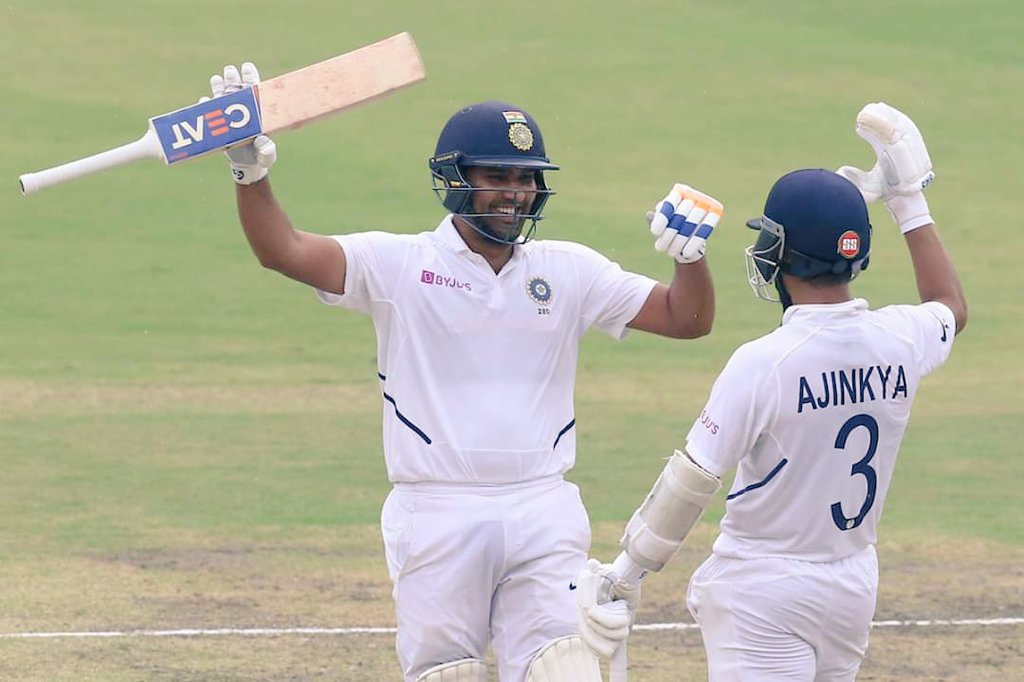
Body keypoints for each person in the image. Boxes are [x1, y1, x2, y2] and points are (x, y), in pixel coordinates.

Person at [206, 62, 723, 681]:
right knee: (448, 674)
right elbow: (283, 251)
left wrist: (690, 260)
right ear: (454, 180)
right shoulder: (398, 264)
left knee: (568, 669)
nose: (516, 192)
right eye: (497, 176)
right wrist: (248, 172)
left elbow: (686, 318)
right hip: (437, 512)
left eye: (527, 179)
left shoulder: (568, 270)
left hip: (543, 504)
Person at [576, 102, 968, 681]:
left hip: (763, 589)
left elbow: (692, 480)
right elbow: (950, 307)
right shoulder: (901, 340)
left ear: (779, 254)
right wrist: (909, 200)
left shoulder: (763, 364)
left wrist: (628, 570)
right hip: (854, 581)